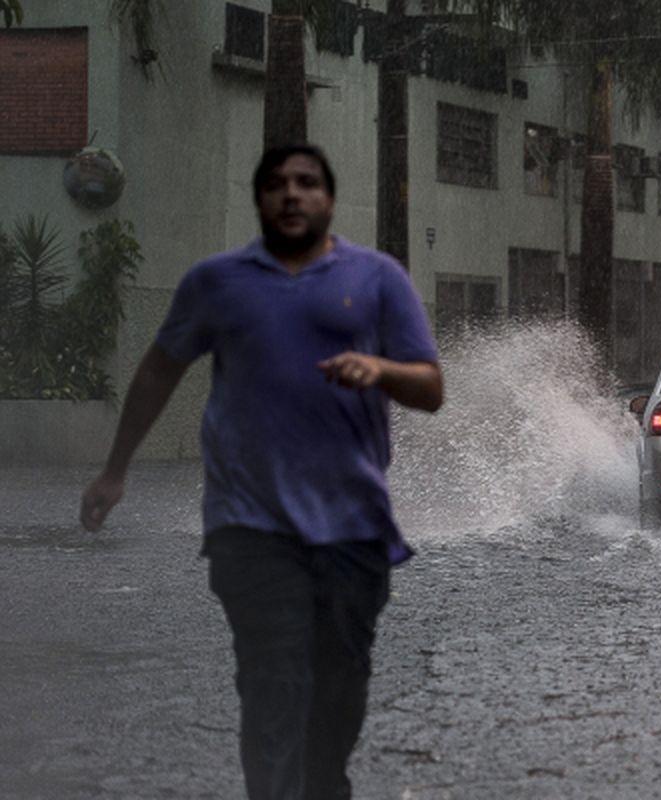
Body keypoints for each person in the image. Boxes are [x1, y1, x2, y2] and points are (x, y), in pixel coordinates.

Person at [78, 144, 443, 799]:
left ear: (329, 199)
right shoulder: (217, 283)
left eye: (306, 183)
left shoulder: (378, 277)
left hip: (353, 529)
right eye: (276, 184)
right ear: (259, 200)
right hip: (249, 526)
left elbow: (430, 388)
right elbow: (160, 368)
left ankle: (325, 785)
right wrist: (116, 470)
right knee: (274, 686)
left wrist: (380, 369)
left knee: (338, 694)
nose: (291, 194)